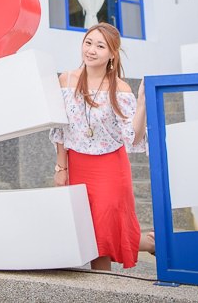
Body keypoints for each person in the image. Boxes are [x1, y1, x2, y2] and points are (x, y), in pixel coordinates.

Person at [50, 22, 153, 270]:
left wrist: (141, 106)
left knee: (102, 236)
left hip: (110, 167)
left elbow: (134, 137)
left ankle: (103, 290)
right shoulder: (66, 79)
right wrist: (60, 168)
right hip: (77, 164)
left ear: (112, 54)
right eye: (88, 43)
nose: (91, 50)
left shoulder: (120, 88)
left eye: (100, 46)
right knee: (89, 230)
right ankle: (150, 243)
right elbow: (61, 128)